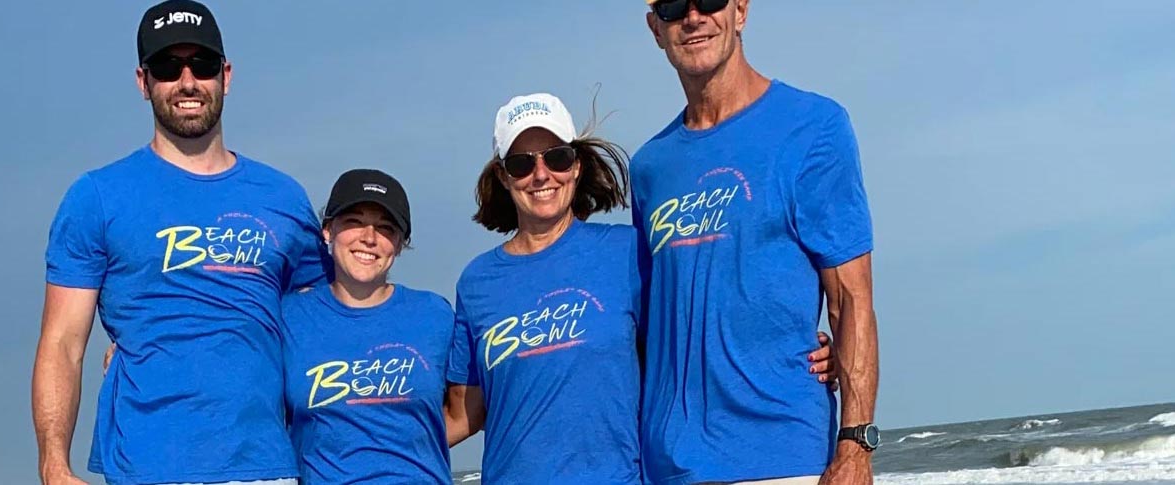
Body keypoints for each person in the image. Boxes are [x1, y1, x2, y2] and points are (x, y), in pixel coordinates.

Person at [444, 93, 837, 484]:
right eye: (521, 164)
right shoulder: (478, 282)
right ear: (502, 175)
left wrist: (799, 350)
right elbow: (465, 413)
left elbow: (698, 328)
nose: (542, 174)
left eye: (557, 157)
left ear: (577, 166)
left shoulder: (627, 252)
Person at [31, 1, 325, 484]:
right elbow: (62, 343)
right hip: (146, 467)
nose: (188, 81)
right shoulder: (97, 197)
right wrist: (54, 466)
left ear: (225, 75)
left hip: (266, 465)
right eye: (168, 67)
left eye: (202, 65)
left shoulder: (284, 197)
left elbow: (318, 321)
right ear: (143, 83)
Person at [633, 1, 881, 484]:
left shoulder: (814, 127)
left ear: (741, 10)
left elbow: (851, 299)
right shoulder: (649, 166)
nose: (693, 17)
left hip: (783, 455)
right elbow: (649, 325)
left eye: (709, 1)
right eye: (672, 7)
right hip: (668, 466)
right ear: (655, 29)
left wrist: (855, 446)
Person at [278, 169, 454, 484]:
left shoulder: (435, 315)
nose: (369, 237)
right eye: (354, 222)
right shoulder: (289, 318)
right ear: (328, 231)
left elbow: (467, 409)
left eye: (386, 228)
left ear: (400, 244)